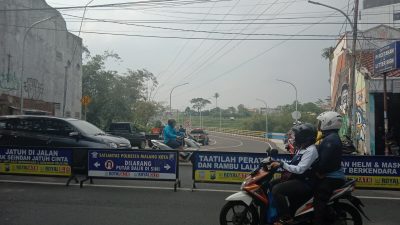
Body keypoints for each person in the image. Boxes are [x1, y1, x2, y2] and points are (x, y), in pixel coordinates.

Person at [270, 123, 318, 225]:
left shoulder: (311, 150)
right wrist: (277, 162)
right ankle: (278, 211)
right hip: (298, 179)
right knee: (272, 184)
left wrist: (282, 164)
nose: (294, 137)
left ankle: (286, 218)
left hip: (305, 182)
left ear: (303, 136)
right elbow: (293, 163)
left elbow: (300, 169)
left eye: (297, 135)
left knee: (277, 190)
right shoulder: (303, 148)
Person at [313, 111, 346, 225]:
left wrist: (318, 172)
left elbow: (325, 162)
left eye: (321, 122)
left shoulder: (330, 140)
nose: (319, 124)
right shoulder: (330, 137)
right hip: (332, 175)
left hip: (332, 178)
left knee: (319, 200)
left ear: (328, 123)